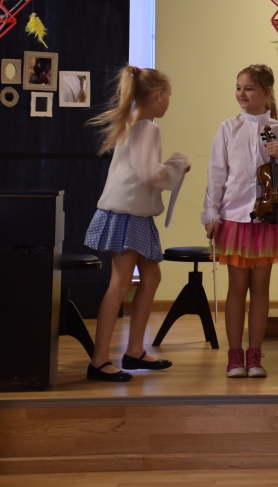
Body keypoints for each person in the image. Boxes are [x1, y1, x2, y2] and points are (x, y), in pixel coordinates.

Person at [84, 65, 189, 382]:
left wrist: (169, 168)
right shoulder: (148, 129)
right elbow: (148, 173)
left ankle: (134, 351)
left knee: (151, 276)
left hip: (130, 214)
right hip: (129, 215)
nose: (169, 101)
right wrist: (176, 166)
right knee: (119, 284)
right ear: (157, 96)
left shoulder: (131, 124)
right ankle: (99, 361)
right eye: (169, 95)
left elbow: (141, 171)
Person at [202, 64, 278, 378]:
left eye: (249, 88)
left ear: (267, 92)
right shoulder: (228, 128)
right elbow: (216, 174)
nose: (241, 94)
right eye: (239, 87)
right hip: (235, 217)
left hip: (267, 217)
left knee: (261, 288)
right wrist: (211, 213)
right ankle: (234, 356)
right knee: (236, 288)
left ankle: (255, 356)